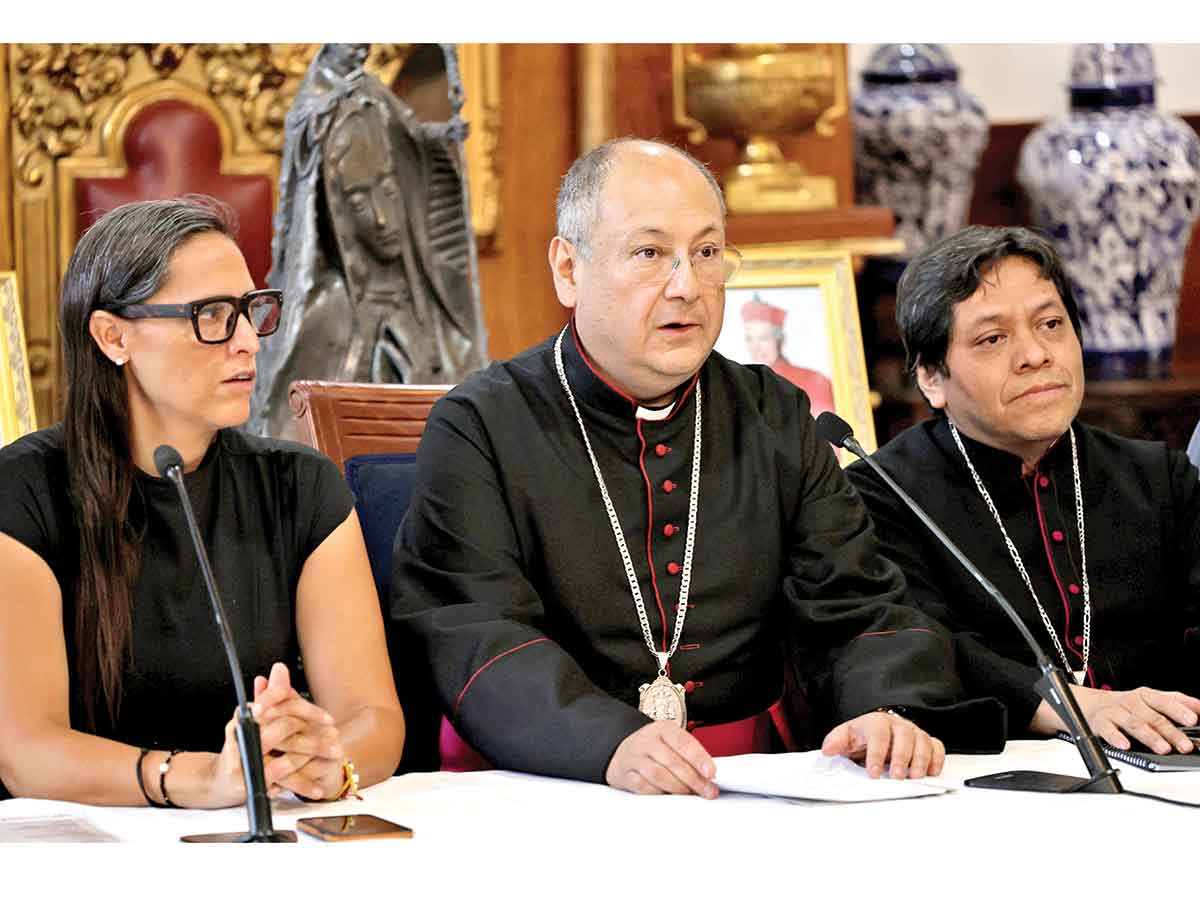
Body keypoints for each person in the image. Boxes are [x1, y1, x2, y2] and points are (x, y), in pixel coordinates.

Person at [391, 138, 1003, 798]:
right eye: (650, 253)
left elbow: (856, 603)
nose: (686, 286)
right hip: (551, 780)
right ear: (568, 269)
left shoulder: (774, 413)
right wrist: (603, 740)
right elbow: (473, 630)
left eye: (707, 253)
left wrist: (886, 712)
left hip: (752, 788)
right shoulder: (481, 424)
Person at [0, 196, 405, 806]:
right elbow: (27, 752)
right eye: (212, 314)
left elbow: (373, 716)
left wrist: (327, 757)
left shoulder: (301, 488)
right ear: (113, 336)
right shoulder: (23, 493)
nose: (247, 341)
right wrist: (199, 779)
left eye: (251, 311)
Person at [846, 226, 1200, 755]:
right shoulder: (884, 496)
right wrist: (1074, 706)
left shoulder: (1157, 477)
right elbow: (920, 651)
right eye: (993, 339)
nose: (1035, 354)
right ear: (931, 379)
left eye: (1051, 324)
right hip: (988, 780)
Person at [248, 42, 488, 437]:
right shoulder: (327, 314)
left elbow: (410, 135)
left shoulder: (376, 99)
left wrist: (441, 137)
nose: (381, 219)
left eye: (390, 193)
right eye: (360, 204)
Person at [740, 296, 835, 416]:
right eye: (749, 339)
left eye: (763, 338)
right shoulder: (742, 384)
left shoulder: (815, 381)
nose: (755, 347)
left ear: (781, 340)